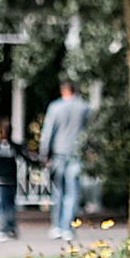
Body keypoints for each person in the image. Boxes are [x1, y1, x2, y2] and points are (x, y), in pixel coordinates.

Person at [39, 81, 89, 242]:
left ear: (63, 90)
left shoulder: (55, 107)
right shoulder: (84, 108)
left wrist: (44, 154)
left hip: (58, 153)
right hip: (76, 154)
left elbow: (48, 131)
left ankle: (56, 226)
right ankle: (68, 227)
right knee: (72, 192)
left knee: (58, 191)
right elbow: (88, 133)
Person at [0, 125, 23, 242]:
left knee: (7, 205)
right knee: (4, 205)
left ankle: (9, 228)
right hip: (2, 180)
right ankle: (4, 228)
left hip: (9, 181)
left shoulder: (11, 147)